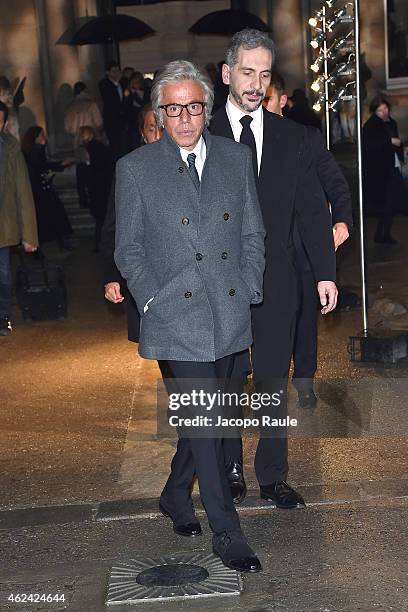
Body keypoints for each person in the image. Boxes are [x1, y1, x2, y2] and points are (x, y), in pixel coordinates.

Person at [114, 60, 266, 573]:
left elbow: (252, 232)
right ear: (159, 114)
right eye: (173, 108)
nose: (184, 117)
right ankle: (227, 530)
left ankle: (176, 494)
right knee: (206, 422)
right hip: (176, 318)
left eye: (194, 106)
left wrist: (249, 286)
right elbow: (128, 248)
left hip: (227, 308)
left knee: (212, 421)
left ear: (206, 109)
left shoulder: (235, 158)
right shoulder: (135, 169)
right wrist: (152, 297)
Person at [210, 29, 337, 508]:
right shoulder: (205, 134)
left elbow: (311, 207)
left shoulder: (293, 137)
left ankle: (273, 475)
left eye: (263, 75)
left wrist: (325, 272)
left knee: (271, 380)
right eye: (246, 72)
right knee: (225, 379)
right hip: (219, 283)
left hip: (278, 277)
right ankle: (229, 468)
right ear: (226, 74)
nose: (255, 84)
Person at [264, 73, 353, 407]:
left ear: (283, 100)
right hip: (263, 251)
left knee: (304, 319)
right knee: (267, 321)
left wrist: (342, 220)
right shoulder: (244, 142)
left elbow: (336, 183)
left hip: (302, 250)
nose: (262, 106)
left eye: (268, 99)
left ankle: (303, 381)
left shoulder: (306, 138)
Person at [102, 105, 162, 342]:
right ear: (142, 132)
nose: (158, 135)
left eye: (162, 128)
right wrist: (111, 275)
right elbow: (114, 224)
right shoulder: (130, 169)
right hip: (145, 275)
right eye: (151, 129)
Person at [0, 101, 38, 336]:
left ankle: (2, 316)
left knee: (3, 275)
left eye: (0, 120)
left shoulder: (10, 148)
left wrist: (29, 236)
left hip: (3, 226)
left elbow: (23, 192)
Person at [21, 126, 74, 250]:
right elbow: (40, 168)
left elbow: (42, 166)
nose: (44, 138)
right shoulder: (35, 151)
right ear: (35, 138)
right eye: (41, 135)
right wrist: (58, 166)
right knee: (51, 217)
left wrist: (58, 166)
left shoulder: (35, 151)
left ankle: (60, 242)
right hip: (40, 192)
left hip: (41, 190)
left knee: (54, 217)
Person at [363, 95, 406, 244]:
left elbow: (396, 142)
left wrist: (400, 151)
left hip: (391, 165)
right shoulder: (371, 125)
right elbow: (370, 145)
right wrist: (390, 141)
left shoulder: (391, 123)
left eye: (385, 109)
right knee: (388, 202)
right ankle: (383, 234)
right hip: (380, 170)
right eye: (380, 110)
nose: (384, 112)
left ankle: (383, 233)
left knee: (391, 202)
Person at [64, 81, 103, 209]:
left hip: (77, 142)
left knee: (80, 171)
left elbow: (68, 128)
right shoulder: (91, 105)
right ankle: (93, 197)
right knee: (93, 171)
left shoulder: (70, 107)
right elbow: (98, 122)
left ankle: (82, 198)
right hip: (90, 140)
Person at [78, 126, 114, 252]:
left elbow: (90, 170)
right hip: (102, 187)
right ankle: (101, 243)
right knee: (102, 218)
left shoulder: (91, 148)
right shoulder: (98, 147)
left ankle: (101, 243)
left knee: (101, 218)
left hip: (98, 188)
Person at [99, 61, 126, 160]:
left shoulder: (123, 83)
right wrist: (116, 82)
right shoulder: (104, 84)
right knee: (115, 145)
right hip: (112, 120)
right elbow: (109, 100)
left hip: (123, 120)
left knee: (124, 145)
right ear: (108, 72)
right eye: (113, 71)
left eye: (117, 70)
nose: (116, 73)